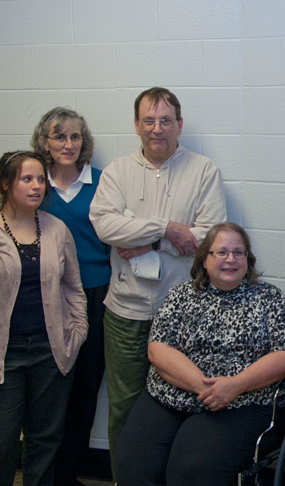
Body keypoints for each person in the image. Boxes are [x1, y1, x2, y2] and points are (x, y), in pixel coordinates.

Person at [89, 87, 227, 475]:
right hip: (126, 312)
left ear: (179, 125)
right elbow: (104, 225)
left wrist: (144, 238)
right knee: (124, 406)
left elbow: (210, 238)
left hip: (184, 312)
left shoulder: (203, 171)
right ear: (136, 126)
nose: (157, 129)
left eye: (166, 121)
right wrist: (166, 230)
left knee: (183, 402)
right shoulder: (118, 171)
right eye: (149, 121)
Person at [115, 222, 285, 485]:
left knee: (190, 471)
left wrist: (234, 386)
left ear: (248, 260)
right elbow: (158, 349)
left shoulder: (271, 300)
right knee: (132, 464)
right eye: (221, 252)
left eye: (239, 253)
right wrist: (203, 386)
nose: (230, 259)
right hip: (170, 395)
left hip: (238, 402)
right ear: (204, 260)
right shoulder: (181, 296)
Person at [0, 151, 88, 485]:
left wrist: (77, 332)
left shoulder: (57, 229)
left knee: (45, 440)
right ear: (5, 183)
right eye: (27, 179)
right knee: (0, 443)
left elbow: (74, 288)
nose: (36, 186)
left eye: (41, 179)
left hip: (51, 353)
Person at [30, 107, 111, 486]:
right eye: (59, 137)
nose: (68, 144)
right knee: (49, 386)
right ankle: (43, 473)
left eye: (75, 137)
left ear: (84, 141)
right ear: (45, 142)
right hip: (46, 296)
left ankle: (68, 474)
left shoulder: (102, 183)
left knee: (85, 385)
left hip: (95, 291)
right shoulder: (34, 184)